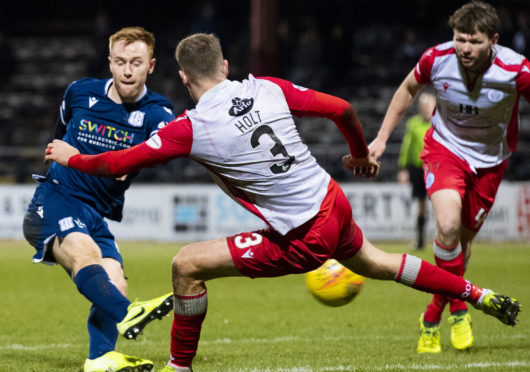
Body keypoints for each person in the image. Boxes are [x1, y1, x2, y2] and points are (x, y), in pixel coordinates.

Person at [44, 33, 521, 372]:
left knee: (186, 265)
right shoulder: (266, 87)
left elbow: (114, 163)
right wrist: (358, 154)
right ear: (226, 67)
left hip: (302, 234)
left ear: (184, 77)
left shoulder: (190, 128)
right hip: (332, 202)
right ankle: (475, 293)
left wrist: (73, 156)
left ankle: (178, 366)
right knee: (378, 261)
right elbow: (341, 109)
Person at [368, 1, 530, 354]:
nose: (465, 48)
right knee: (447, 227)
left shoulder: (515, 70)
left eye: (474, 41)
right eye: (460, 39)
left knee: (461, 248)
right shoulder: (435, 58)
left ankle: (431, 316)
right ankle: (459, 309)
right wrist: (381, 138)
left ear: (494, 40)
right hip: (445, 151)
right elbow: (407, 89)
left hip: (490, 163)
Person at [23, 27, 176, 372]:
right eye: (120, 61)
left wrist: (131, 163)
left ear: (151, 66)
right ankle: (128, 313)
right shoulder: (80, 92)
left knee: (115, 279)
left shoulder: (158, 113)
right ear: (109, 62)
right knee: (87, 255)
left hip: (96, 213)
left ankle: (99, 358)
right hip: (56, 199)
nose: (127, 70)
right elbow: (58, 135)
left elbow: (160, 153)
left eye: (136, 62)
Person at [397, 92, 435, 250]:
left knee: (441, 204)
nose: (426, 109)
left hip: (436, 168)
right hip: (418, 170)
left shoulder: (438, 123)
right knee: (421, 206)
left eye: (429, 105)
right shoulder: (413, 124)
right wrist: (403, 168)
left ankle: (445, 241)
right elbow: (407, 146)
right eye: (424, 106)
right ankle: (420, 241)